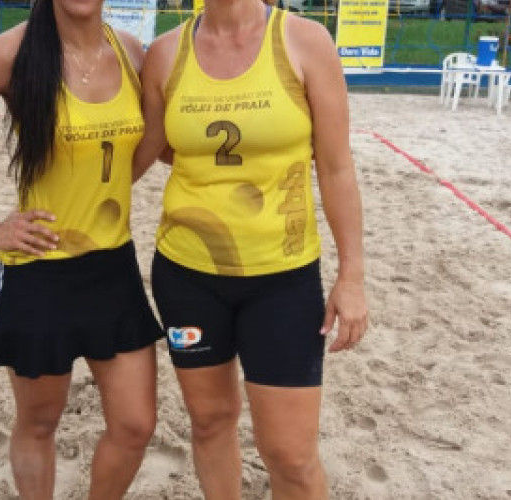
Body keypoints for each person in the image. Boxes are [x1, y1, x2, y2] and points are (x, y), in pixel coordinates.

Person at [0, 1, 164, 498]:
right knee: (40, 422)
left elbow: (151, 144)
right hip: (40, 270)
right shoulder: (9, 54)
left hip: (113, 267)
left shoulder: (131, 51)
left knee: (136, 424)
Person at [133, 0, 368, 498]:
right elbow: (150, 149)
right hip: (187, 275)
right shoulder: (166, 53)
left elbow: (336, 167)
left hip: (283, 277)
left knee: (291, 454)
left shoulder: (305, 41)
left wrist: (352, 275)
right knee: (210, 422)